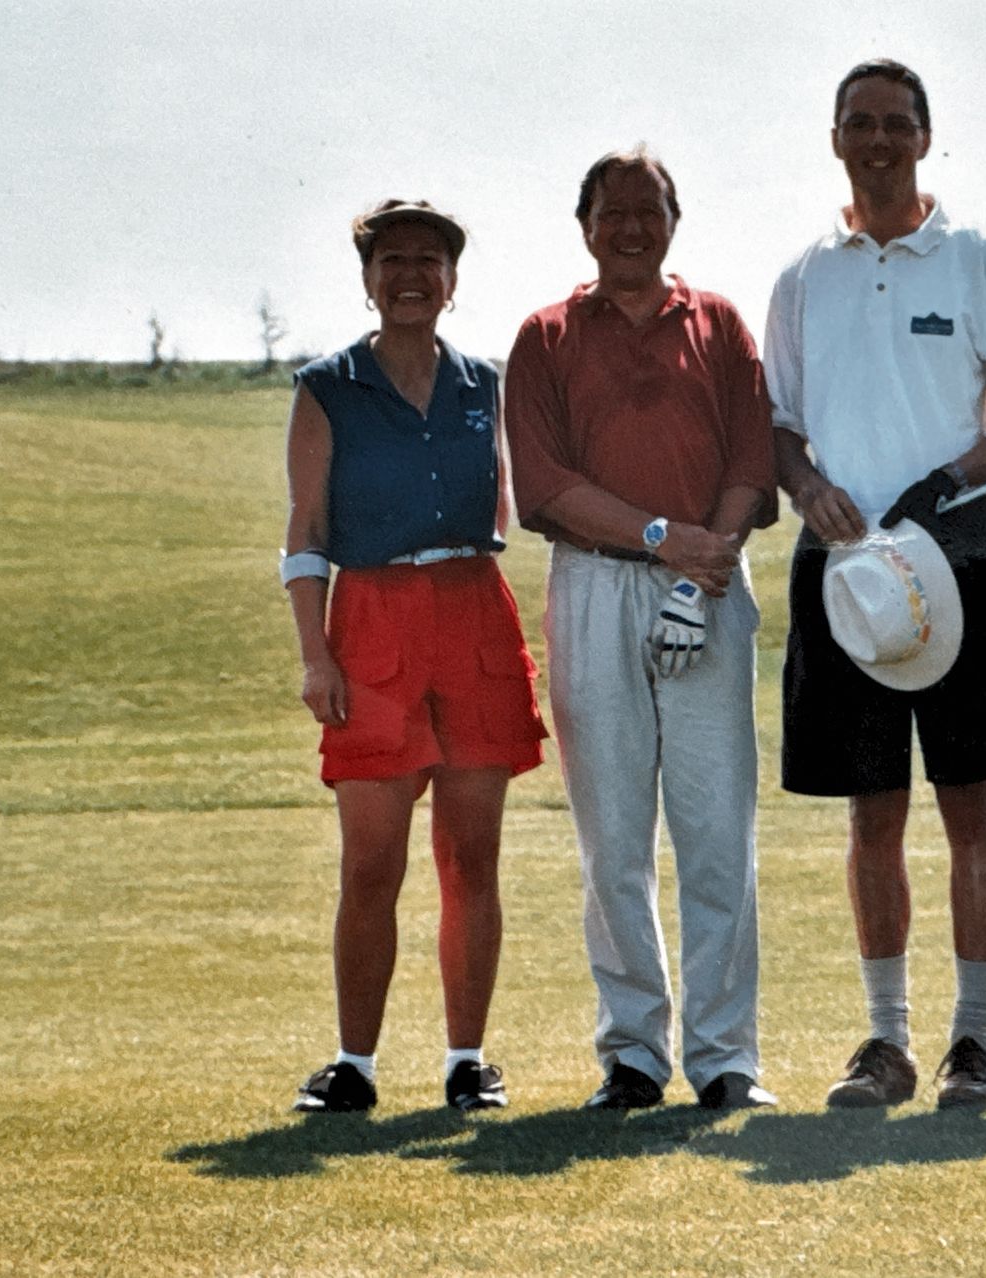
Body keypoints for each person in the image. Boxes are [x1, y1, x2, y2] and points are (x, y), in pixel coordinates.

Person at [764, 59, 986, 1109]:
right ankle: (885, 1044)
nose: (878, 140)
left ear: (925, 137)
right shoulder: (803, 276)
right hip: (845, 567)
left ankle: (971, 1043)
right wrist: (806, 488)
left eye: (896, 123)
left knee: (969, 804)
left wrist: (949, 482)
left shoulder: (981, 259)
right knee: (872, 811)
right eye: (860, 123)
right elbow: (778, 426)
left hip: (961, 557)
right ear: (836, 138)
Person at [506, 147, 780, 1111]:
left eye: (647, 210)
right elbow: (546, 485)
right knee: (614, 837)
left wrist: (703, 561)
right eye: (611, 212)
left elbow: (751, 460)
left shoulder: (719, 322)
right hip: (596, 584)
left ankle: (725, 1057)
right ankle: (632, 1054)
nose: (630, 227)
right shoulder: (545, 335)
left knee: (716, 833)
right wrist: (665, 539)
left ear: (674, 220)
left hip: (708, 581)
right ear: (585, 225)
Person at [281, 199, 548, 1115]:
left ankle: (467, 1061)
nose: (410, 277)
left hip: (473, 615)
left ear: (452, 279)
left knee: (472, 859)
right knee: (371, 865)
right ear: (367, 278)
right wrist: (316, 654)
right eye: (391, 260)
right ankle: (354, 1064)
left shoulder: (482, 383)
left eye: (428, 261)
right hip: (373, 622)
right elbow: (306, 529)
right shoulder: (327, 387)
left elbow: (505, 505)